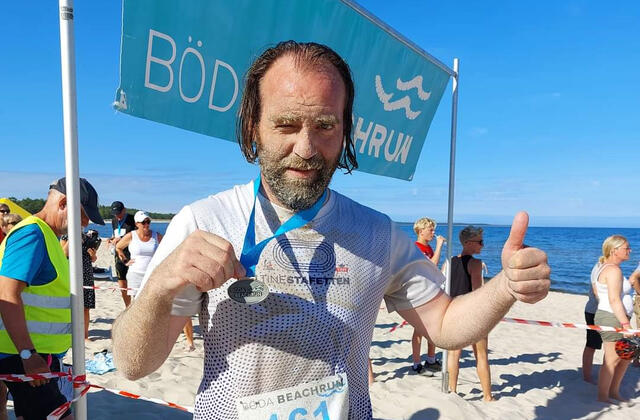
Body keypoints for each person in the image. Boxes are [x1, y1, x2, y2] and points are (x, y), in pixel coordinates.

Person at [112, 41, 550, 419]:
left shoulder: (378, 233)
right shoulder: (204, 221)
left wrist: (505, 288)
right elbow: (135, 365)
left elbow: (446, 324)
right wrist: (158, 288)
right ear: (254, 129)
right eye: (285, 124)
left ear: (344, 133)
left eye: (324, 126)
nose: (305, 147)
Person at [0, 177, 104, 420]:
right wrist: (28, 354)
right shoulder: (32, 235)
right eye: (83, 215)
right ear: (64, 202)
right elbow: (6, 293)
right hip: (22, 356)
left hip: (36, 355)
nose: (85, 223)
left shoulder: (49, 236)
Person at [446, 226, 494, 401]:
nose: (483, 245)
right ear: (468, 243)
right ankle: (487, 395)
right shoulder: (475, 264)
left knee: (454, 353)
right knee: (481, 354)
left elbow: (444, 288)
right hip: (471, 313)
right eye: (480, 241)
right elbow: (476, 292)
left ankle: (453, 390)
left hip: (453, 311)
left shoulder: (449, 262)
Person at [593, 235, 639, 403]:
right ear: (614, 250)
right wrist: (625, 324)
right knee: (611, 359)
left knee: (626, 355)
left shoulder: (608, 267)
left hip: (616, 317)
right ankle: (603, 396)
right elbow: (613, 299)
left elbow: (600, 293)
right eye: (626, 248)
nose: (630, 250)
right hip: (613, 318)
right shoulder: (613, 270)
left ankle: (614, 391)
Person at [410, 217, 445, 374]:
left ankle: (431, 359)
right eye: (430, 230)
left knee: (432, 327)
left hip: (430, 290)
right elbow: (431, 265)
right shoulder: (416, 248)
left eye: (433, 230)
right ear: (420, 231)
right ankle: (416, 363)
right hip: (419, 293)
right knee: (419, 329)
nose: (433, 233)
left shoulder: (428, 248)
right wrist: (439, 246)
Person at [60, 229, 101, 342]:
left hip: (86, 274)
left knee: (86, 307)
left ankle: (85, 336)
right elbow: (63, 254)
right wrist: (72, 237)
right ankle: (68, 333)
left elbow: (93, 259)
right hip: (70, 274)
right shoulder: (65, 237)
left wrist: (93, 255)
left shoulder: (88, 238)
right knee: (69, 306)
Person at [109, 201, 136, 307]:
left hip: (132, 255)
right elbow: (115, 234)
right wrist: (112, 239)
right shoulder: (114, 221)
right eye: (115, 214)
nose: (117, 216)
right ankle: (128, 307)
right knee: (122, 284)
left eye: (119, 213)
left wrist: (122, 239)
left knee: (134, 284)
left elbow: (138, 235)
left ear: (124, 210)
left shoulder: (132, 219)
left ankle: (136, 307)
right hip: (119, 255)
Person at [582, 262, 604, 383]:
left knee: (594, 344)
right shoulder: (601, 266)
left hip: (597, 310)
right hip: (595, 311)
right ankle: (587, 376)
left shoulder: (606, 266)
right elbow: (596, 292)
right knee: (592, 344)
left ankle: (588, 375)